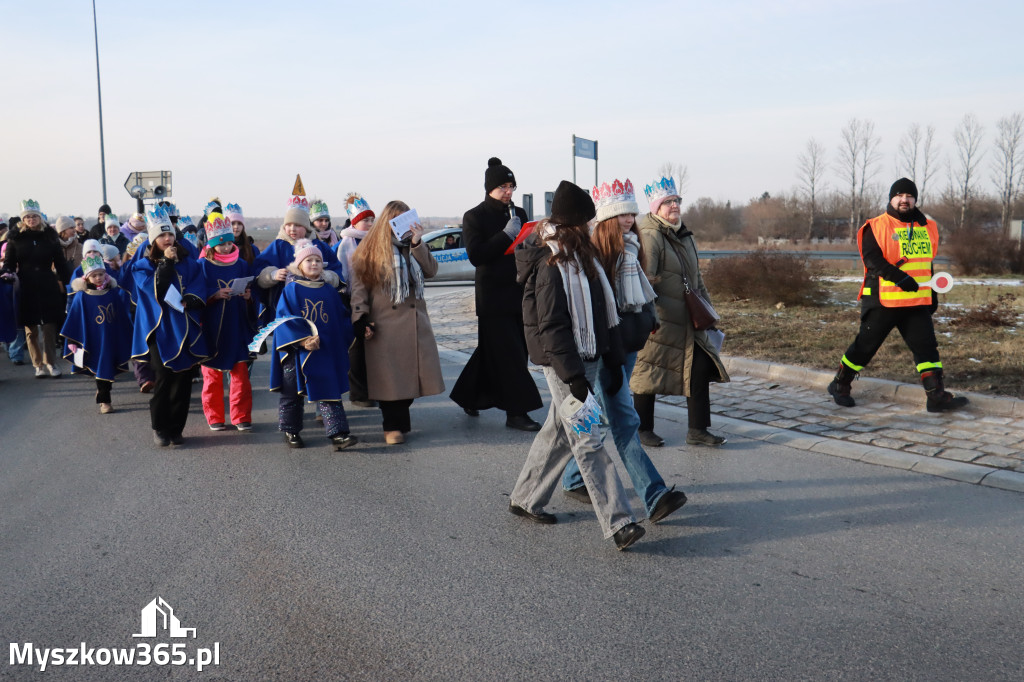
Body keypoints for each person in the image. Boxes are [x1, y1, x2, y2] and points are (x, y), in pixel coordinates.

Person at [509, 180, 645, 551]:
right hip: (563, 364)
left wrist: (614, 360)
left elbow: (604, 313)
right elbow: (551, 327)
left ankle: (525, 498)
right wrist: (572, 378)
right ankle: (620, 522)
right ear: (574, 225)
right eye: (586, 223)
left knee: (557, 431)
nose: (591, 228)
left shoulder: (584, 259)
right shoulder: (553, 264)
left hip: (588, 361)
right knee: (588, 438)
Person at [559, 179, 688, 523]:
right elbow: (600, 311)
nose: (628, 219)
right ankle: (654, 494)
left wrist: (650, 318)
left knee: (601, 416)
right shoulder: (597, 255)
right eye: (620, 214)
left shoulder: (633, 247)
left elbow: (644, 293)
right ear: (604, 220)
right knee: (624, 420)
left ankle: (573, 477)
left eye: (631, 212)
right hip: (607, 349)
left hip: (630, 343)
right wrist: (612, 353)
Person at [828, 178, 968, 412]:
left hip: (917, 301)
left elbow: (925, 264)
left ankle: (936, 397)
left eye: (909, 196)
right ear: (891, 198)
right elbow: (872, 261)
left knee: (927, 349)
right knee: (865, 347)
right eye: (899, 195)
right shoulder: (875, 226)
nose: (904, 199)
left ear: (915, 199)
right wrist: (900, 278)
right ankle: (840, 384)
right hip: (884, 300)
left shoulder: (928, 227)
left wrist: (931, 295)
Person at [631, 176, 730, 447]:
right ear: (655, 207)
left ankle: (698, 430)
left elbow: (696, 280)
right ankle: (642, 429)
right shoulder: (651, 235)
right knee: (648, 371)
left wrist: (710, 314)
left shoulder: (683, 234)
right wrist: (649, 316)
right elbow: (645, 280)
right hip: (660, 320)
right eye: (668, 202)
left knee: (699, 368)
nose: (674, 206)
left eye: (676, 201)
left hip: (688, 320)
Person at [450, 157, 543, 431]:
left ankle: (469, 394)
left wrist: (531, 241)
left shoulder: (518, 214)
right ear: (490, 188)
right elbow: (476, 256)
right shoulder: (474, 216)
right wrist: (505, 235)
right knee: (512, 355)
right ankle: (517, 413)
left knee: (498, 352)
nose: (508, 191)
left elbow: (526, 249)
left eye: (511, 186)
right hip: (493, 298)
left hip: (520, 293)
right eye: (502, 186)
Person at [349, 200, 445, 444]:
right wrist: (360, 318)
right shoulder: (370, 250)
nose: (403, 226)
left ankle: (401, 423)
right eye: (398, 221)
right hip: (385, 326)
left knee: (411, 378)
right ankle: (391, 427)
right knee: (390, 382)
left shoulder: (413, 246)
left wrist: (417, 243)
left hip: (415, 324)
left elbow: (432, 271)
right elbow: (360, 288)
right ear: (388, 223)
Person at [129, 206, 208, 447]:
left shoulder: (188, 261)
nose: (167, 239)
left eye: (170, 234)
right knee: (164, 377)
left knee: (183, 380)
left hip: (183, 327)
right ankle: (160, 427)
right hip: (159, 329)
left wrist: (193, 298)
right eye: (162, 236)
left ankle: (176, 428)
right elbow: (155, 290)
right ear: (154, 239)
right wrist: (166, 263)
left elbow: (198, 281)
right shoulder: (143, 265)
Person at [269, 239, 357, 450]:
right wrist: (302, 340)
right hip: (297, 351)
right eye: (309, 260)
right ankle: (291, 431)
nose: (314, 264)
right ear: (299, 265)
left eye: (318, 260)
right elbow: (284, 319)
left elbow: (340, 318)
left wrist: (348, 333)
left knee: (329, 390)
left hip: (324, 350)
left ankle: (338, 434)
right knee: (292, 392)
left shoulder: (329, 291)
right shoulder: (291, 290)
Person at [199, 214, 256, 432]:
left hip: (237, 326)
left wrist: (248, 296)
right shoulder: (202, 265)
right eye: (220, 243)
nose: (225, 247)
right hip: (212, 329)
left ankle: (241, 416)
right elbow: (195, 294)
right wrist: (213, 295)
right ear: (212, 245)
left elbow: (252, 291)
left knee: (240, 374)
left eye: (229, 242)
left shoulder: (241, 264)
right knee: (211, 375)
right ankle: (214, 417)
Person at [1, 199, 71, 377]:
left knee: (49, 326)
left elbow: (61, 263)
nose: (31, 219)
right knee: (30, 328)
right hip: (26, 285)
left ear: (40, 218)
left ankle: (51, 363)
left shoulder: (50, 236)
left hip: (47, 282)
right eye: (28, 217)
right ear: (23, 219)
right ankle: (38, 364)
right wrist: (6, 274)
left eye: (34, 216)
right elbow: (8, 263)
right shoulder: (15, 238)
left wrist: (70, 281)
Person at [61, 254, 134, 414]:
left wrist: (127, 336)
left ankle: (104, 394)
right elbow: (75, 319)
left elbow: (122, 316)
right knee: (100, 367)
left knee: (109, 366)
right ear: (87, 278)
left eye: (101, 274)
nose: (98, 278)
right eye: (94, 275)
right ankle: (105, 400)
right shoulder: (82, 297)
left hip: (111, 338)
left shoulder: (113, 293)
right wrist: (73, 340)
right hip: (92, 339)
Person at [336, 192, 375, 407]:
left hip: (376, 299)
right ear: (355, 222)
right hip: (352, 299)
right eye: (365, 220)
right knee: (357, 348)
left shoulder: (377, 241)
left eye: (371, 219)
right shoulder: (346, 245)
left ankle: (375, 389)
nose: (369, 224)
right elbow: (342, 276)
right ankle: (359, 393)